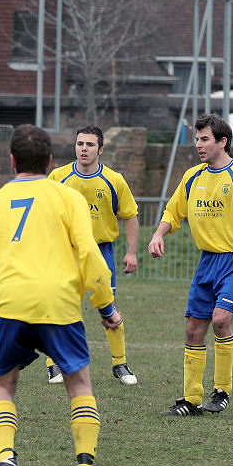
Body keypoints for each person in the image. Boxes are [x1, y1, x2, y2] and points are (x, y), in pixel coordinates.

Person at [0, 125, 122, 466]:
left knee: (2, 385)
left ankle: (4, 454)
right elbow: (90, 255)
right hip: (59, 303)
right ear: (51, 161)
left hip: (8, 302)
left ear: (11, 160)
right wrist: (106, 306)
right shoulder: (66, 197)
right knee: (79, 383)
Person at [148, 114, 233, 417]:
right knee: (193, 329)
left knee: (220, 320)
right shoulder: (192, 177)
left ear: (222, 142)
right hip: (207, 262)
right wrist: (158, 233)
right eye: (197, 139)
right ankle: (190, 400)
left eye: (204, 139)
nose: (198, 145)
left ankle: (222, 391)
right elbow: (173, 211)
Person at [47, 125, 139, 386]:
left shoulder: (114, 180)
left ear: (101, 149)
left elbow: (130, 215)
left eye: (89, 145)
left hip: (100, 251)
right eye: (79, 144)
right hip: (66, 250)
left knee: (108, 307)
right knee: (60, 304)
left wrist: (131, 252)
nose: (83, 149)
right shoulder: (58, 176)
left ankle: (120, 364)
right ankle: (54, 364)